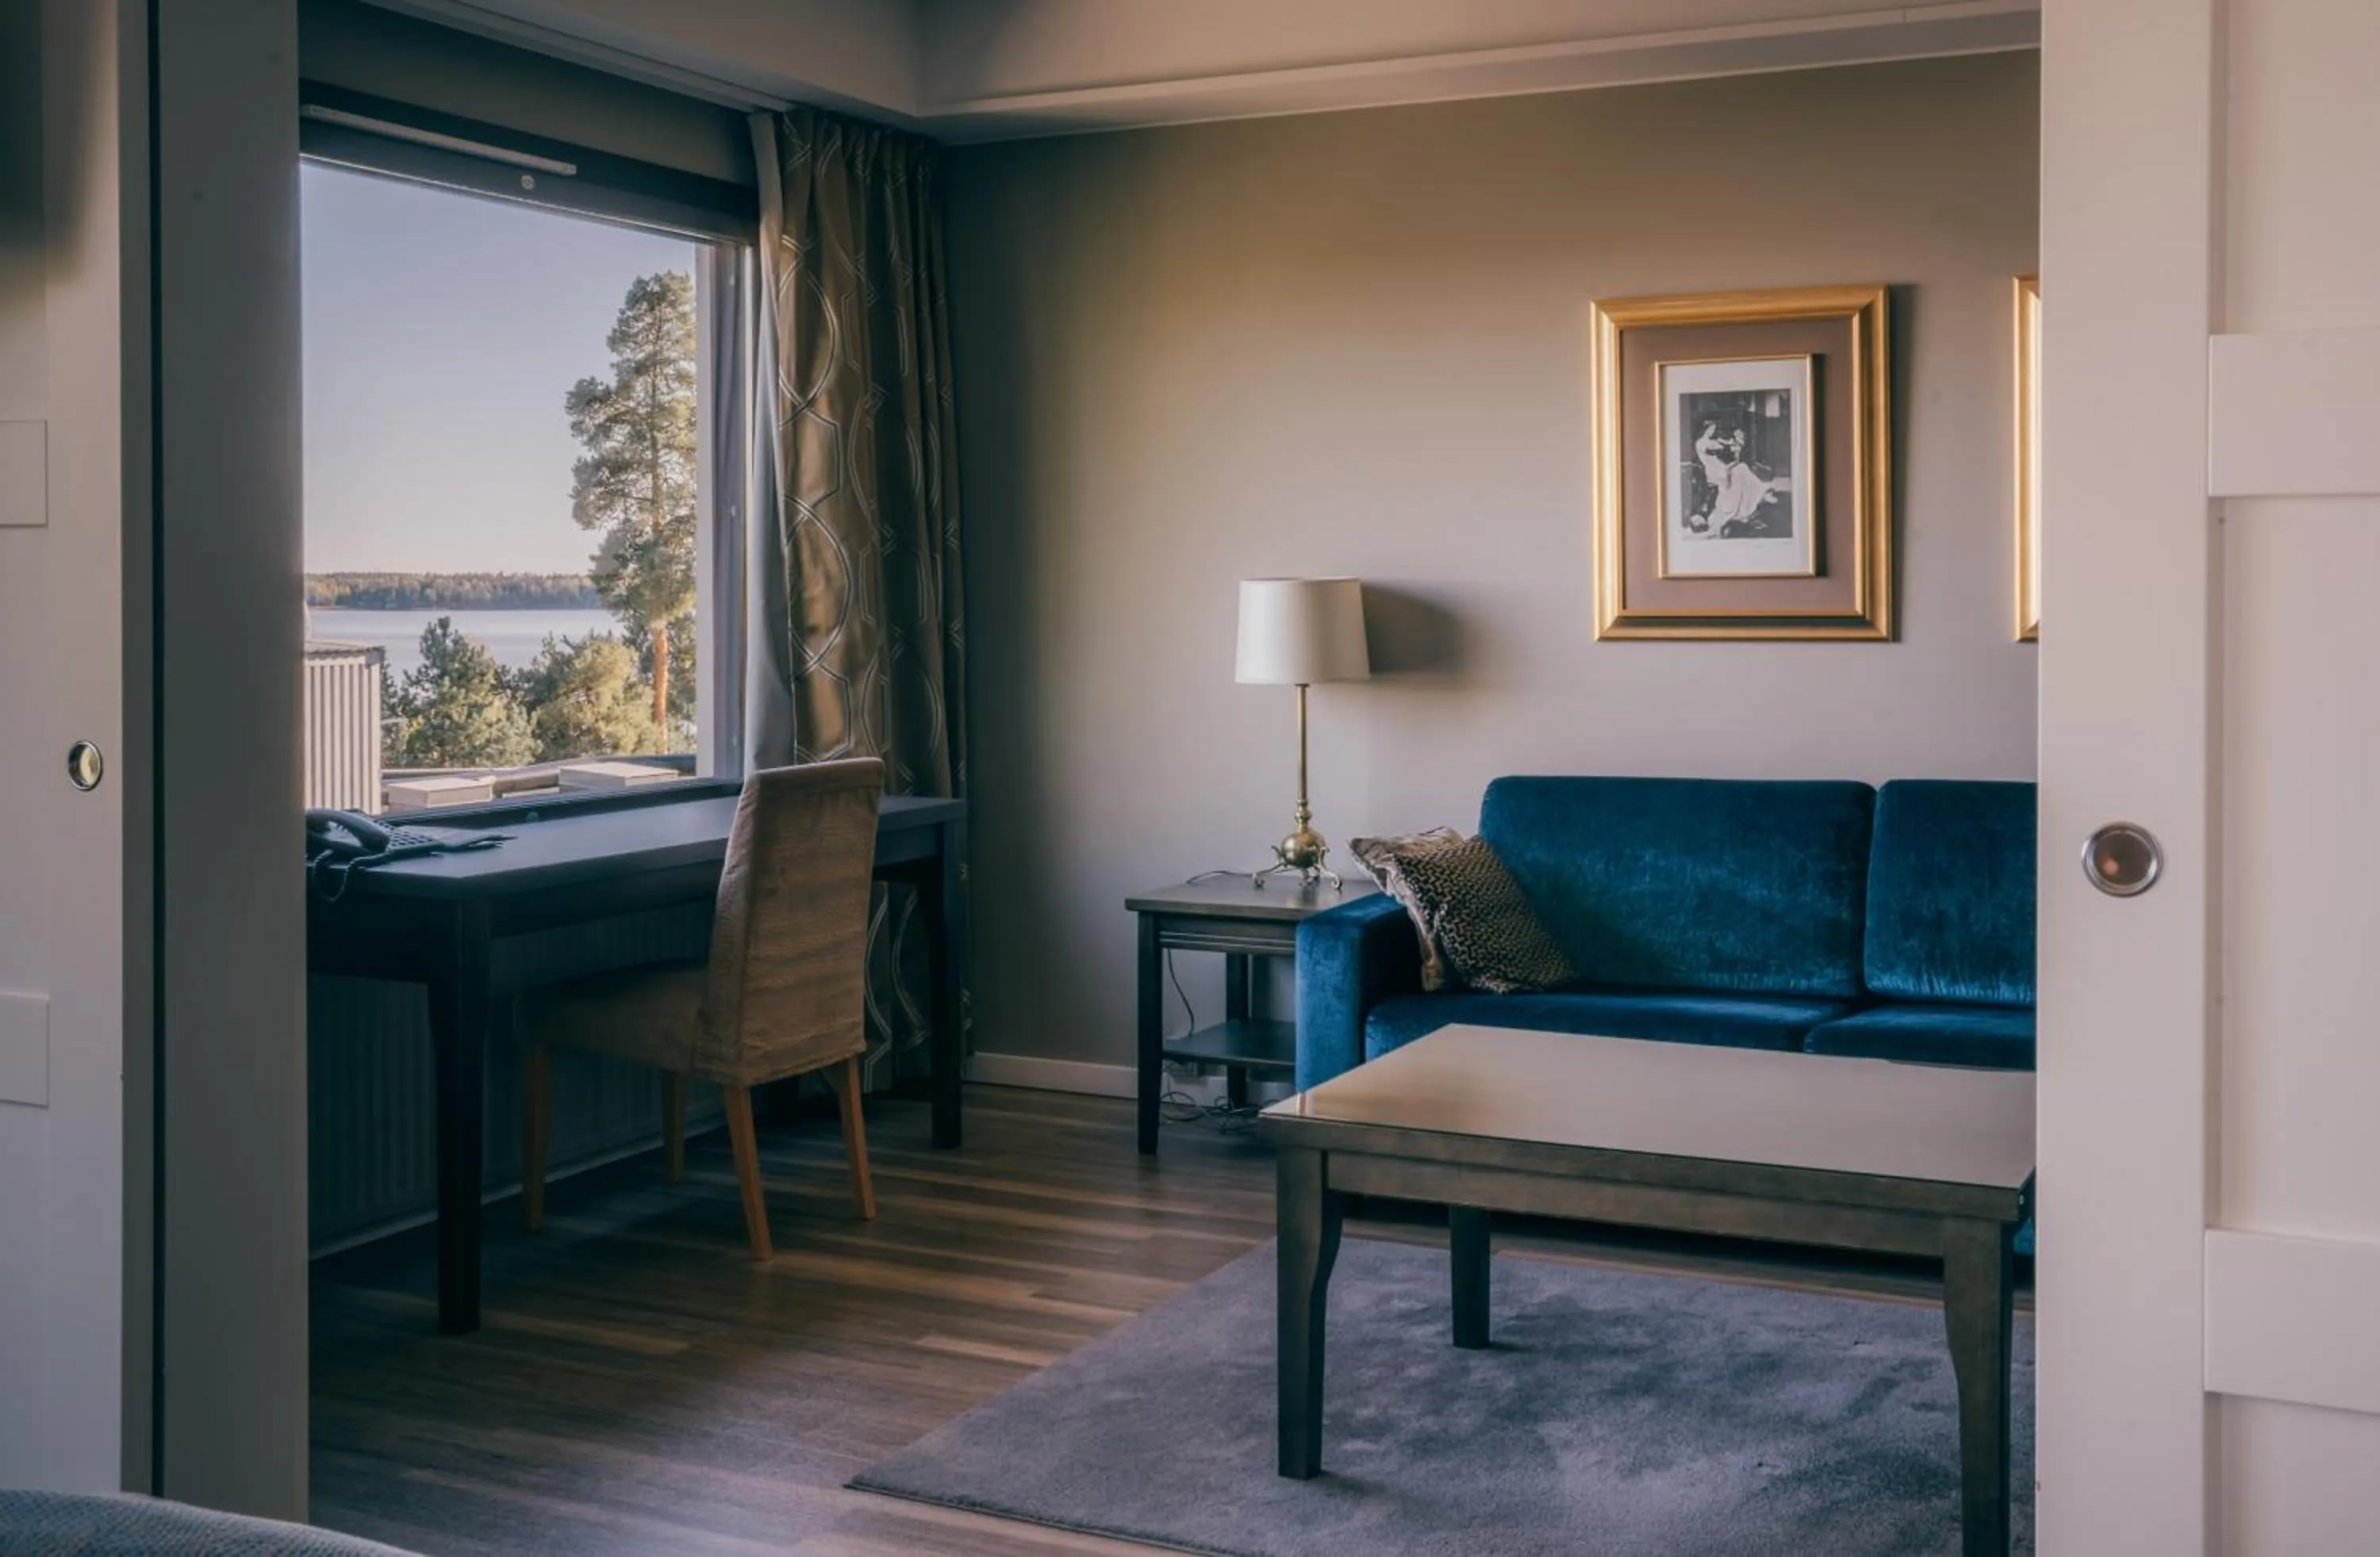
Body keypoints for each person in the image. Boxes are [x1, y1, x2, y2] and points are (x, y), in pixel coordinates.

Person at [1687, 417, 1791, 538]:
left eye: (1713, 429)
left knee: (1741, 468)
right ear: (1704, 430)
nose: (1713, 431)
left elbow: (1724, 445)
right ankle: (1756, 495)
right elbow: (1720, 449)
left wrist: (1734, 441)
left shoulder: (1710, 441)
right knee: (1740, 468)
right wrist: (1735, 442)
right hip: (1716, 470)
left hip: (1722, 468)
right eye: (1711, 429)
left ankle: (1754, 494)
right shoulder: (1701, 442)